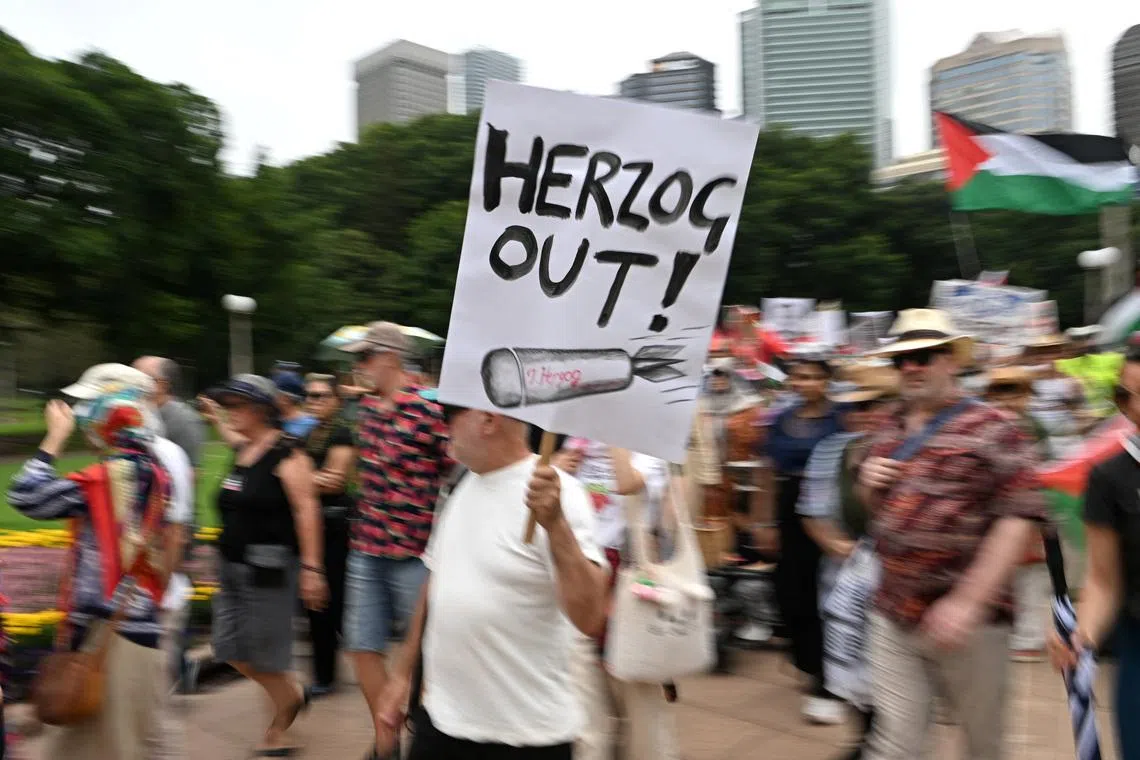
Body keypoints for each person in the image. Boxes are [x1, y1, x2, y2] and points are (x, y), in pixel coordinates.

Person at [857, 309, 1047, 760]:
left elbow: (1020, 516)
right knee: (894, 745)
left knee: (982, 746)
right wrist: (866, 481)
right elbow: (876, 512)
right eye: (901, 360)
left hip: (973, 626)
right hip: (894, 612)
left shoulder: (996, 428)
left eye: (924, 356)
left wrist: (968, 601)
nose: (911, 368)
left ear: (952, 361)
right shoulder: (888, 427)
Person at [374, 397, 608, 760]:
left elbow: (590, 616)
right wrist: (402, 675)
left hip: (525, 736)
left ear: (486, 419)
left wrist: (556, 525)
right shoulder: (462, 484)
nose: (442, 426)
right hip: (442, 722)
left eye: (449, 415)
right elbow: (435, 582)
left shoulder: (560, 494)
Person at [7, 388, 178, 760]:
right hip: (140, 622)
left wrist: (54, 438)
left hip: (107, 635)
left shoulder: (104, 478)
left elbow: (25, 496)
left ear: (104, 430)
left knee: (102, 748)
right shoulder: (159, 475)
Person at [60, 363, 195, 756]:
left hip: (137, 612)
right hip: (123, 612)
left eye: (90, 404)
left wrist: (155, 597)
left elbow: (173, 531)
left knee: (138, 730)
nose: (83, 414)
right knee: (132, 729)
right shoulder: (123, 454)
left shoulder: (157, 457)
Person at [339, 321, 451, 758]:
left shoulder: (428, 410)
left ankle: (425, 736)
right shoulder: (364, 410)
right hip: (366, 547)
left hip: (414, 552)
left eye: (364, 358)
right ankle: (386, 737)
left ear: (390, 357)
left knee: (422, 654)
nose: (359, 367)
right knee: (361, 645)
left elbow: (453, 470)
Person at [205, 374, 328, 757]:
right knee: (229, 649)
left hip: (269, 570)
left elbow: (307, 510)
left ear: (260, 410)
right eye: (227, 406)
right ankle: (292, 694)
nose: (230, 412)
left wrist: (312, 569)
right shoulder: (244, 448)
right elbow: (230, 435)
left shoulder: (288, 454)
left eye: (237, 406)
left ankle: (278, 732)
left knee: (267, 655)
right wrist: (214, 418)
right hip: (232, 567)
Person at [797, 362, 898, 760]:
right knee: (852, 659)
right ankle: (867, 738)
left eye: (875, 405)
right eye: (858, 407)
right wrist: (839, 546)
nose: (866, 415)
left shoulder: (915, 447)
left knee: (897, 665)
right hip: (846, 577)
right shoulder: (832, 449)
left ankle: (893, 739)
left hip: (902, 577)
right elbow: (811, 511)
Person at [554, 440, 679, 760]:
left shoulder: (647, 446)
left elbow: (627, 484)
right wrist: (556, 467)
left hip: (631, 583)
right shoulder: (576, 441)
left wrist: (614, 437)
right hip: (582, 576)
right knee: (583, 714)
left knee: (642, 712)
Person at [1047, 344, 1140, 759]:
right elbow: (1104, 580)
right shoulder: (1109, 477)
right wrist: (1080, 634)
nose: (1133, 407)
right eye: (1124, 396)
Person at [765, 354, 845, 724]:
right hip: (788, 508)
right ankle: (808, 658)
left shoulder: (841, 418)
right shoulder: (781, 420)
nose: (806, 383)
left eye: (814, 377)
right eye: (799, 377)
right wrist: (761, 521)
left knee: (824, 592)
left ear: (827, 381)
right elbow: (767, 471)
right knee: (788, 590)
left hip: (828, 509)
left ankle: (826, 677)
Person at [984, 366, 1051, 663]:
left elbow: (1044, 473)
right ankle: (1014, 631)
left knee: (1031, 578)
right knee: (1004, 573)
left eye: (1015, 393)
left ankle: (1029, 637)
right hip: (997, 513)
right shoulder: (986, 426)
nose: (1008, 401)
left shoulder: (1034, 427)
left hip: (1030, 513)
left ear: (1026, 397)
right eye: (1001, 393)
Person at [301, 373, 356, 697]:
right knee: (315, 604)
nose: (314, 401)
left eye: (321, 396)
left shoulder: (341, 433)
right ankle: (324, 672)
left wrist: (297, 477)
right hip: (311, 522)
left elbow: (335, 480)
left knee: (332, 599)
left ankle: (330, 673)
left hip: (334, 524)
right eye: (310, 395)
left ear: (337, 401)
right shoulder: (309, 433)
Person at [132, 357, 205, 470]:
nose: (132, 383)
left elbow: (190, 472)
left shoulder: (184, 419)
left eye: (140, 378)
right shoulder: (132, 413)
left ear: (162, 385)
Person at [275, 371, 320, 440]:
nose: (272, 396)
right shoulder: (271, 418)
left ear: (285, 399)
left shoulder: (310, 424)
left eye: (275, 393)